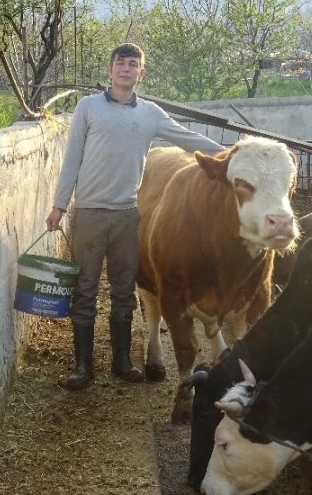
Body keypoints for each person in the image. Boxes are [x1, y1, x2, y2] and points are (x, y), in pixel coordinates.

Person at [45, 43, 225, 391]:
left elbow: (189, 140)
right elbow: (71, 159)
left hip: (128, 215)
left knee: (125, 290)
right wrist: (59, 205)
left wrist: (233, 155)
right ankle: (83, 367)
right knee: (84, 290)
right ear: (110, 70)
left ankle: (123, 362)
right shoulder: (88, 108)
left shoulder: (151, 114)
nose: (126, 69)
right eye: (120, 64)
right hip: (89, 213)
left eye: (133, 65)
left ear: (141, 73)